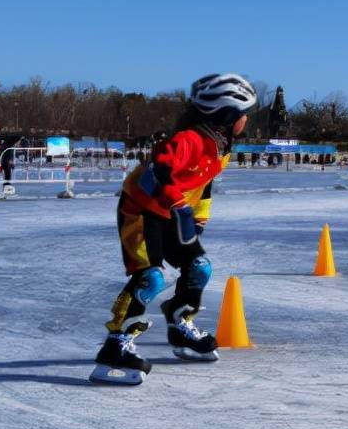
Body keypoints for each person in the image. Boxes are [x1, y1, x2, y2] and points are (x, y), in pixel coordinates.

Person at [90, 73, 257, 386]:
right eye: (244, 114)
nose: (247, 120)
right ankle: (116, 345)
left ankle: (180, 322)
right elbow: (158, 172)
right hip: (139, 211)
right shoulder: (188, 140)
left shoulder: (221, 147)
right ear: (227, 116)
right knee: (150, 278)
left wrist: (199, 217)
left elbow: (203, 185)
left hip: (171, 214)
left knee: (199, 267)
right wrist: (178, 204)